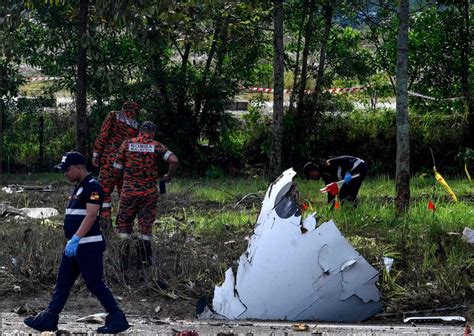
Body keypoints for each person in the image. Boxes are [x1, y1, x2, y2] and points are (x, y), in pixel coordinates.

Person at [24, 152, 130, 334]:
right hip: (74, 245)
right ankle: (50, 317)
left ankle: (117, 317)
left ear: (79, 167)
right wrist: (72, 241)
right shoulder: (79, 187)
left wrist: (76, 238)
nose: (65, 173)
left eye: (68, 169)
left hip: (88, 245)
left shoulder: (93, 187)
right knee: (63, 282)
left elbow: (91, 215)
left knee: (94, 283)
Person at [113, 121, 178, 269]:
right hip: (149, 194)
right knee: (145, 226)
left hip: (129, 192)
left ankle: (123, 263)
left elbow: (116, 169)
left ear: (139, 131)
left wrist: (124, 183)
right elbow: (174, 160)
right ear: (153, 133)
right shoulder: (156, 145)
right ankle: (144, 263)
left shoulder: (127, 144)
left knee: (124, 224)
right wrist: (168, 177)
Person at [92, 101, 140, 227]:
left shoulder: (113, 115)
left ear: (123, 108)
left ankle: (105, 222)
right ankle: (124, 225)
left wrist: (96, 153)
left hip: (110, 159)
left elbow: (104, 134)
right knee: (124, 193)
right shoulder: (135, 125)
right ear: (134, 111)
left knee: (103, 191)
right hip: (125, 162)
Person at [303, 155, 368, 206]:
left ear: (312, 171)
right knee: (343, 196)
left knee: (346, 197)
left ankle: (353, 212)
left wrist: (348, 172)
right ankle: (352, 212)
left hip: (358, 167)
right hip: (352, 174)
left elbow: (342, 160)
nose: (312, 178)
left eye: (310, 176)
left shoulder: (326, 164)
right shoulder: (325, 176)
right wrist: (330, 207)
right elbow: (331, 193)